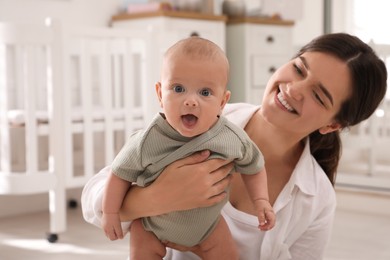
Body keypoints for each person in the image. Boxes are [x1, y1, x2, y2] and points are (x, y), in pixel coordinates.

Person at [81, 33, 387, 259]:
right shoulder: (198, 117)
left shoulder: (316, 199)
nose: (293, 89)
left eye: (319, 96)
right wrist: (153, 199)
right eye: (298, 69)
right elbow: (93, 198)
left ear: (331, 125)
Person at [100, 37, 275, 259]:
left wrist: (260, 200)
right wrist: (110, 212)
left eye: (205, 93)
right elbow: (119, 174)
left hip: (208, 228)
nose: (191, 101)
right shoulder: (147, 140)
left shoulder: (230, 138)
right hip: (151, 227)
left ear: (222, 102)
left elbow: (254, 166)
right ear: (160, 94)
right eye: (178, 88)